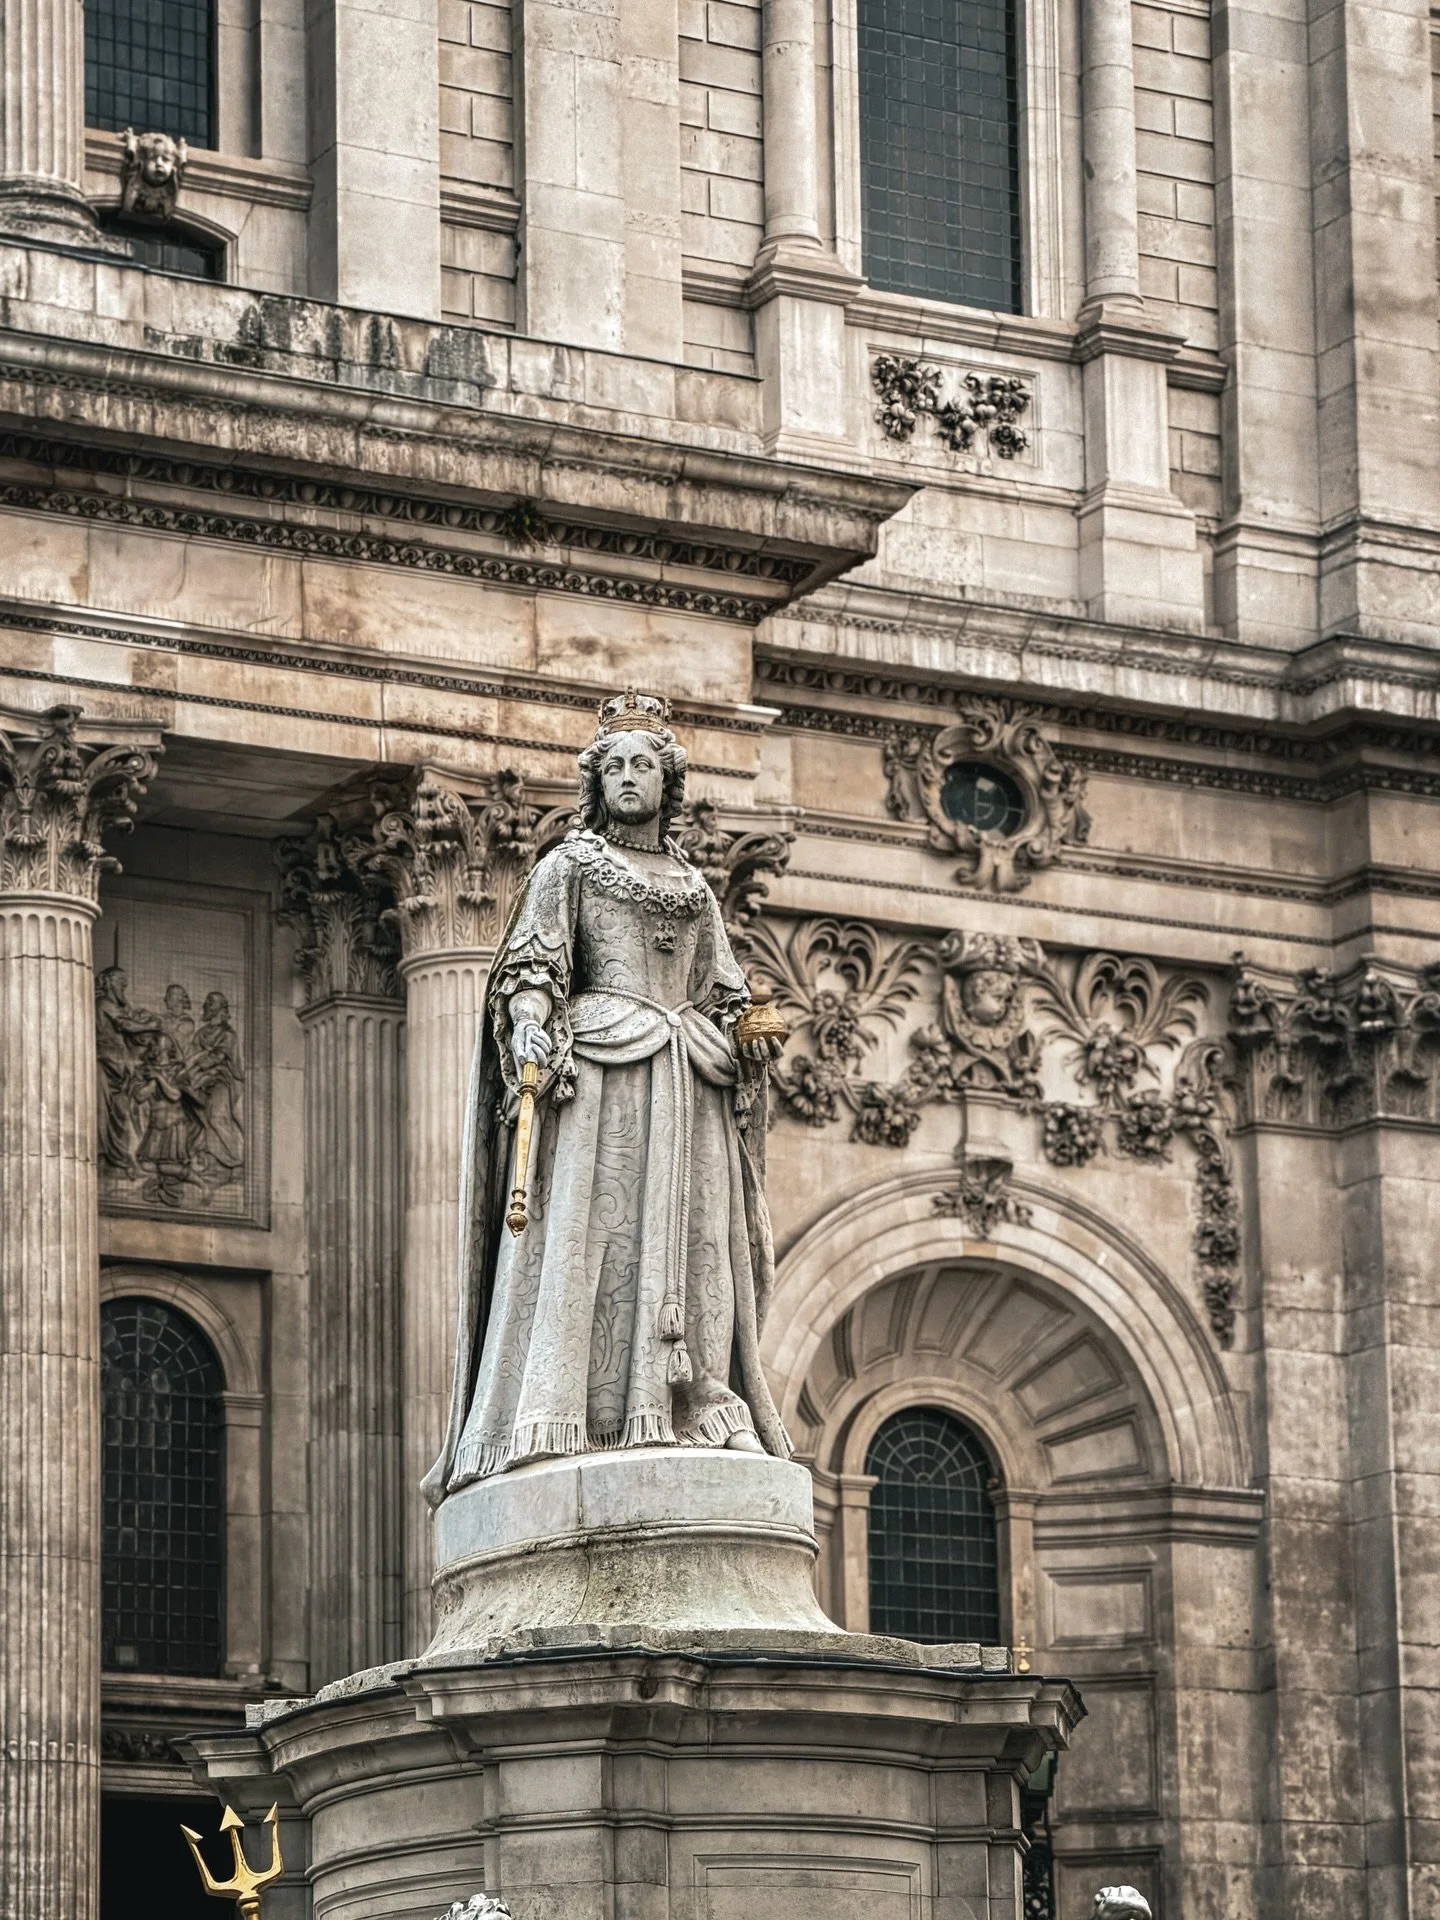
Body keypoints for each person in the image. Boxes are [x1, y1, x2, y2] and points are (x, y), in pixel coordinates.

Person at [425, 690, 788, 1499]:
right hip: (601, 1076)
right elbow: (534, 965)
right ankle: (570, 1410)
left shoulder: (695, 887)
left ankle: (698, 1401)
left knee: (698, 1246)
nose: (628, 777)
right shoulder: (568, 867)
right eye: (615, 765)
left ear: (668, 782)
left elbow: (722, 989)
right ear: (596, 781)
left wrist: (746, 1032)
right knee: (595, 1238)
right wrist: (528, 1020)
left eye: (643, 765)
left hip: (686, 1076)